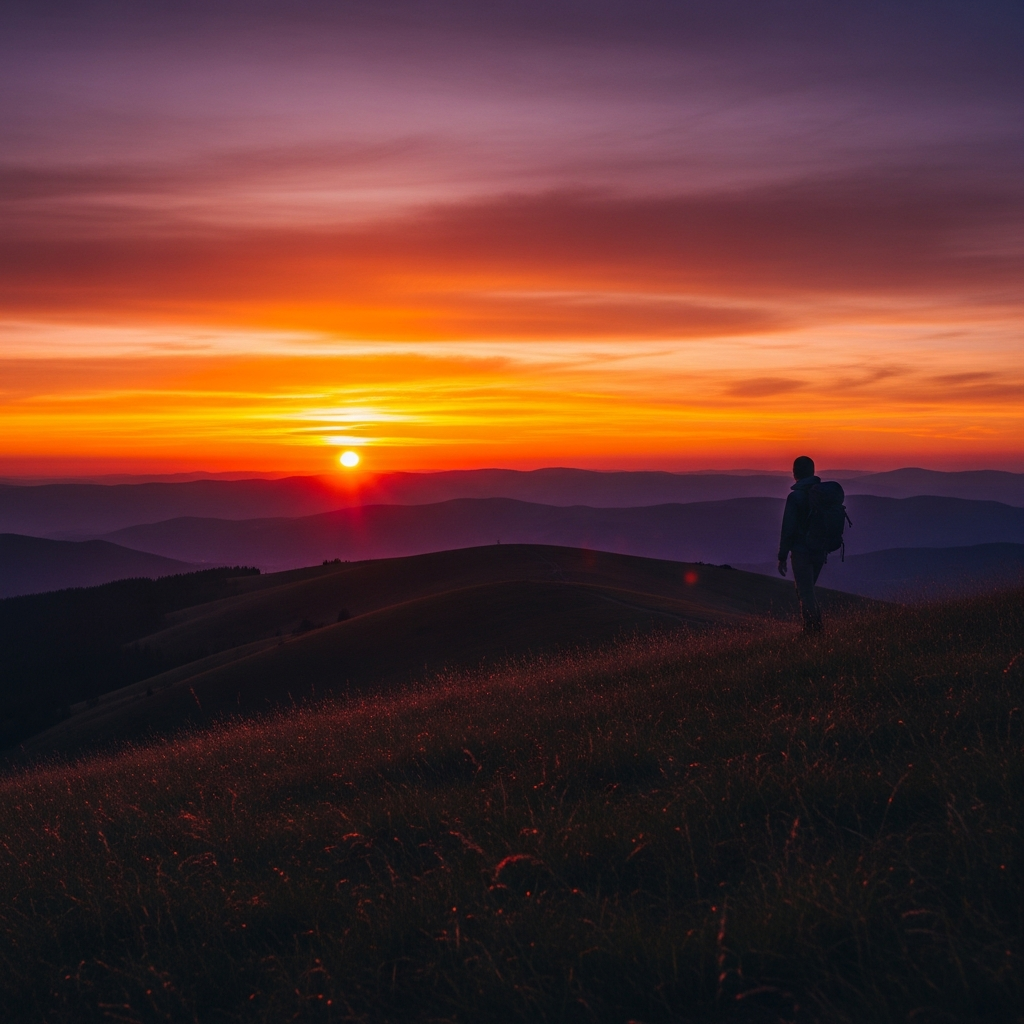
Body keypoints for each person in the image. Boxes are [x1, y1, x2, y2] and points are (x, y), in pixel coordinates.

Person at [778, 455, 824, 632]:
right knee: (808, 591)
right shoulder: (821, 494)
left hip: (801, 552)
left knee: (805, 594)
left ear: (795, 473)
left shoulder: (795, 497)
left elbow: (787, 529)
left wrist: (782, 556)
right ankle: (814, 630)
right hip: (820, 551)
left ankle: (813, 632)